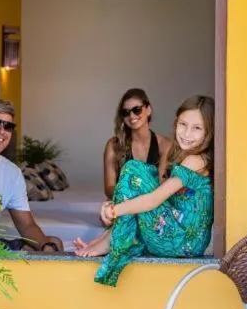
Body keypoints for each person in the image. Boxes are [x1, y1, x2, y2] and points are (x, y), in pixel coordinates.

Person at [74, 95, 214, 286]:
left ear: (209, 132)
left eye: (197, 128)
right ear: (176, 122)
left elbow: (155, 199)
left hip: (182, 242)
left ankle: (111, 241)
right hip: (184, 238)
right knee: (143, 172)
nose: (187, 133)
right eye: (183, 124)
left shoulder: (195, 161)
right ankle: (109, 238)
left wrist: (114, 210)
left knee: (134, 171)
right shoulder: (188, 156)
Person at [0, 98, 63, 252]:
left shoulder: (12, 173)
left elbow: (27, 225)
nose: (1, 131)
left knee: (54, 243)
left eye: (8, 126)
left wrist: (45, 246)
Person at [102, 88, 172, 198]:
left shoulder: (165, 145)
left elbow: (162, 186)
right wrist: (128, 196)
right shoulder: (113, 145)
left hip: (155, 204)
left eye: (137, 110)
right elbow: (109, 188)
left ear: (148, 110)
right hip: (124, 203)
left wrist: (139, 199)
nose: (132, 116)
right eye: (126, 112)